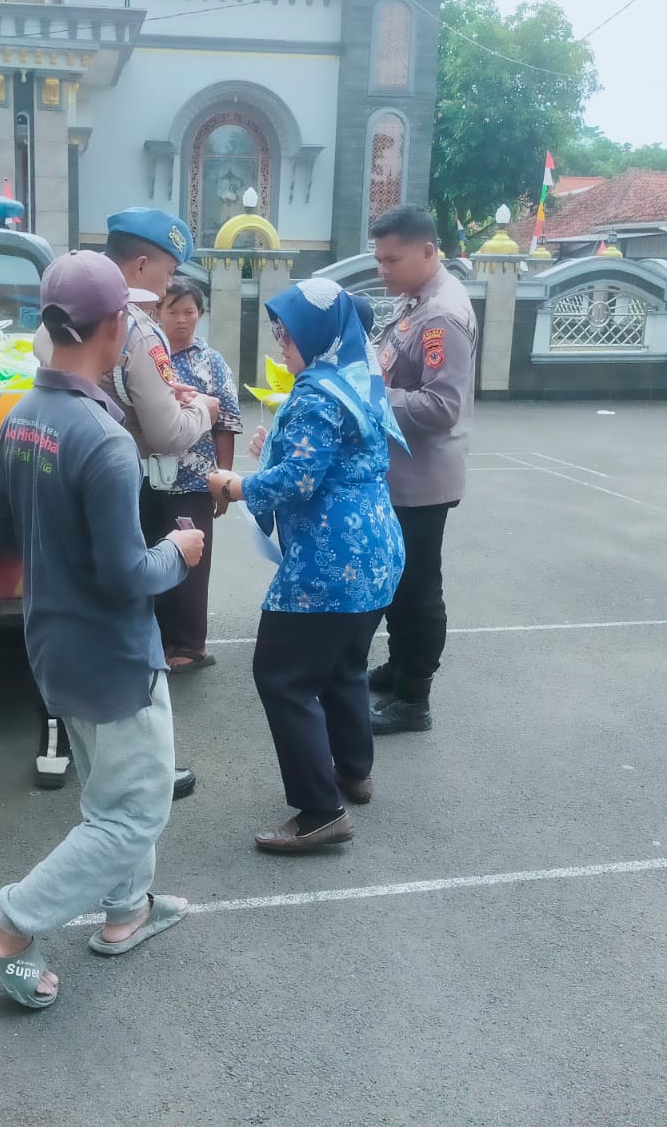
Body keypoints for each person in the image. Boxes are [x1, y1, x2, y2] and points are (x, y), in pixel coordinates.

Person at [0, 250, 203, 1009]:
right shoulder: (104, 439)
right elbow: (128, 574)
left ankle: (127, 911)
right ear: (115, 326)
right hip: (115, 655)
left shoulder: (23, 416)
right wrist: (180, 552)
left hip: (54, 644)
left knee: (109, 793)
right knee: (134, 812)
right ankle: (3, 924)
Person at [206, 278, 406, 854]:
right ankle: (354, 770)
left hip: (330, 562)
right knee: (344, 664)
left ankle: (320, 812)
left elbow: (297, 481)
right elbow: (334, 456)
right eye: (277, 330)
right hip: (375, 553)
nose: (281, 341)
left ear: (318, 331)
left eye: (288, 331)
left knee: (283, 676)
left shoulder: (319, 393)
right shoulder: (356, 378)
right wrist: (275, 448)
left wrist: (234, 485)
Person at [34, 208, 217, 799]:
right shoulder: (134, 324)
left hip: (55, 474)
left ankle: (68, 746)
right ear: (140, 265)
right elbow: (166, 432)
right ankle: (141, 770)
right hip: (116, 473)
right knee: (127, 624)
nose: (167, 289)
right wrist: (202, 410)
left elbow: (3, 528)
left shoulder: (53, 317)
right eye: (166, 273)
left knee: (67, 612)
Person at [365, 205, 477, 736]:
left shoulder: (440, 316)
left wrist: (369, 397)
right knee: (398, 580)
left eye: (392, 259)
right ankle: (399, 667)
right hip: (402, 473)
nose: (382, 269)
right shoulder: (417, 301)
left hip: (421, 481)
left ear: (428, 251)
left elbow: (441, 406)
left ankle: (414, 698)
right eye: (379, 258)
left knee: (416, 590)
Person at [139, 278, 242, 673]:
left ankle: (188, 644)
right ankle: (152, 638)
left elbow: (227, 420)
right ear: (157, 312)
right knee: (147, 553)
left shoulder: (210, 361)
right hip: (143, 476)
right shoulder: (145, 354)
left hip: (194, 481)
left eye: (190, 312)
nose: (182, 320)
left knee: (191, 558)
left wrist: (224, 480)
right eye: (173, 311)